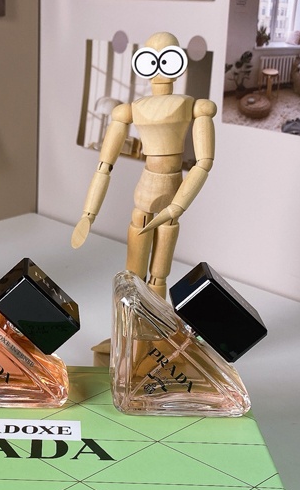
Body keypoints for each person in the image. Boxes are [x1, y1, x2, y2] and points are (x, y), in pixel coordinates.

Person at [72, 31, 216, 299]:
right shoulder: (132, 109)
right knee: (134, 271)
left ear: (178, 62)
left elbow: (204, 162)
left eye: (167, 59)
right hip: (147, 188)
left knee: (159, 274)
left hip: (174, 191)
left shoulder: (193, 106)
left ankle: (154, 319)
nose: (159, 68)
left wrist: (178, 204)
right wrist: (88, 214)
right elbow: (104, 164)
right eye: (152, 60)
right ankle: (132, 318)